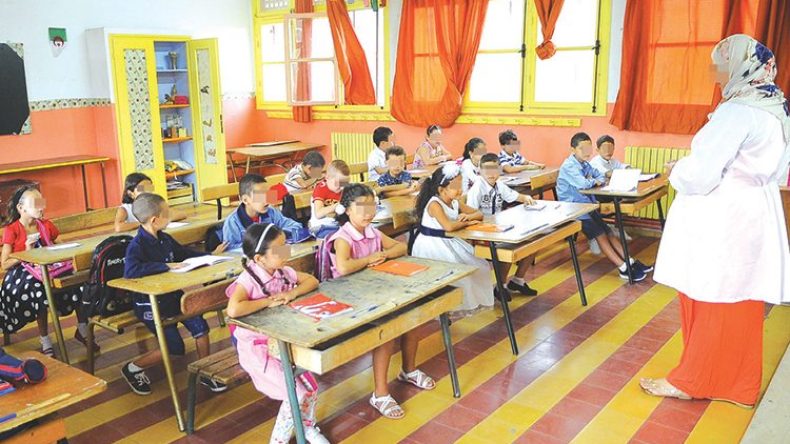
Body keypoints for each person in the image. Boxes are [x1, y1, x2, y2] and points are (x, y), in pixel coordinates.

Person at [642, 35, 790, 408]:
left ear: (741, 66)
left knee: (709, 293)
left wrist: (677, 169)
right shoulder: (776, 107)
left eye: (720, 65)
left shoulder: (736, 111)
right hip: (754, 209)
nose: (716, 74)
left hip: (723, 215)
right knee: (741, 296)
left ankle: (693, 380)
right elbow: (777, 170)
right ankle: (738, 385)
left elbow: (701, 175)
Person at [327, 184, 435, 419]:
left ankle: (408, 370)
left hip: (376, 292)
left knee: (413, 318)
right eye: (361, 207)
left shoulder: (372, 232)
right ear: (347, 210)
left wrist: (384, 255)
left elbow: (401, 246)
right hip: (350, 300)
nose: (368, 213)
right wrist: (370, 259)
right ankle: (380, 394)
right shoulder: (343, 237)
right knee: (387, 331)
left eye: (371, 207)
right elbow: (344, 267)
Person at [226, 223, 329, 444]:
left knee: (310, 389)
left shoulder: (283, 272)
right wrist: (267, 301)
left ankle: (307, 428)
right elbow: (233, 309)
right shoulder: (248, 280)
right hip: (258, 350)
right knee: (296, 394)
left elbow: (312, 281)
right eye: (279, 249)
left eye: (286, 245)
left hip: (284, 345)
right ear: (259, 259)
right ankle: (278, 441)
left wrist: (292, 293)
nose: (286, 252)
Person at [121, 193, 227, 395]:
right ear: (155, 220)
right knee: (174, 348)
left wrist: (210, 255)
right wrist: (165, 266)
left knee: (201, 328)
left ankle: (204, 371)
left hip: (171, 296)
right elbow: (131, 271)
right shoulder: (137, 245)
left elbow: (184, 254)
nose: (170, 216)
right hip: (149, 304)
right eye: (167, 213)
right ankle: (132, 368)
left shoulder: (164, 238)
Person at [0, 186, 85, 356]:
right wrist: (26, 252)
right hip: (21, 273)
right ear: (21, 208)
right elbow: (5, 264)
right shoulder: (12, 229)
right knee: (39, 289)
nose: (41, 207)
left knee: (78, 281)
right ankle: (45, 339)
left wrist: (64, 249)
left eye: (41, 203)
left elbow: (61, 245)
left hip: (48, 267)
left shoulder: (46, 225)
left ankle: (82, 329)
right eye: (36, 204)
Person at [557, 132, 652, 282]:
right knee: (600, 235)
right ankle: (623, 268)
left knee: (609, 232)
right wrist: (593, 181)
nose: (586, 152)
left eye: (588, 148)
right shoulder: (569, 166)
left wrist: (595, 180)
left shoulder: (585, 164)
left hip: (587, 205)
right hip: (574, 210)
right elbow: (583, 184)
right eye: (582, 149)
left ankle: (630, 261)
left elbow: (599, 176)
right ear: (573, 150)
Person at [412, 164, 495, 313]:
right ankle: (448, 309)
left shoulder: (455, 202)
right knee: (460, 276)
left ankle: (474, 302)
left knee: (480, 266)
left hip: (449, 242)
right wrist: (467, 222)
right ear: (441, 189)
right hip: (432, 245)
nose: (460, 190)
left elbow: (479, 214)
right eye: (455, 186)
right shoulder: (435, 204)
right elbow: (448, 226)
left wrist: (468, 216)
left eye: (460, 185)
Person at [466, 153, 538, 297]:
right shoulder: (477, 189)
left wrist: (527, 198)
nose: (491, 173)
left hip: (498, 229)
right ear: (480, 170)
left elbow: (515, 196)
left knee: (533, 242)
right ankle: (501, 286)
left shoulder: (499, 185)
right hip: (482, 233)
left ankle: (518, 281)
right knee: (508, 247)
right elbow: (471, 216)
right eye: (487, 169)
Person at [222, 174, 304, 251]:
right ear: (245, 200)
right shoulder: (232, 222)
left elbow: (297, 226)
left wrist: (277, 234)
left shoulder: (271, 212)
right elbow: (229, 250)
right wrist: (262, 241)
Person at [115, 173, 185, 232]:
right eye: (142, 189)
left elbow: (181, 214)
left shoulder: (155, 204)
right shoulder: (125, 209)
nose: (148, 191)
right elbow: (118, 227)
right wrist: (145, 223)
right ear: (131, 193)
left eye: (149, 188)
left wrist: (163, 219)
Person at [309, 160, 350, 239]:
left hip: (338, 225)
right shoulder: (321, 188)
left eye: (343, 183)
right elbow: (318, 214)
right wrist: (338, 205)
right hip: (320, 227)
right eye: (337, 183)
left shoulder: (344, 189)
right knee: (341, 237)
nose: (340, 187)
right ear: (327, 177)